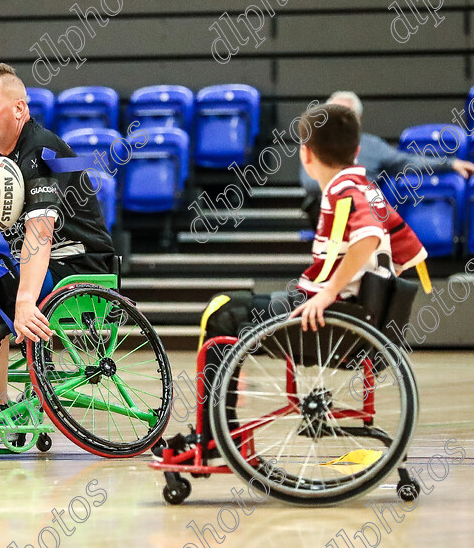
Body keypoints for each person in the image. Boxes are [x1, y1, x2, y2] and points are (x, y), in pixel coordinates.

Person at [178, 103, 427, 456]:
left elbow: (369, 236)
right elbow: (406, 253)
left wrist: (330, 293)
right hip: (353, 319)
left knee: (221, 313)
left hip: (332, 322)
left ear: (305, 155)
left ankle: (214, 435)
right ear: (356, 150)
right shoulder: (366, 188)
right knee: (234, 304)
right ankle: (218, 430)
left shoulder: (344, 193)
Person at [0, 63, 116, 418]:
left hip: (79, 263)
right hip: (32, 266)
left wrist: (25, 300)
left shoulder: (43, 151)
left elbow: (41, 234)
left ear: (19, 108)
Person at [299, 91, 474, 222]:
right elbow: (309, 183)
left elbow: (407, 161)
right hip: (328, 212)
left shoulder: (372, 146)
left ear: (357, 121)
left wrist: (450, 163)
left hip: (364, 214)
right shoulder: (315, 146)